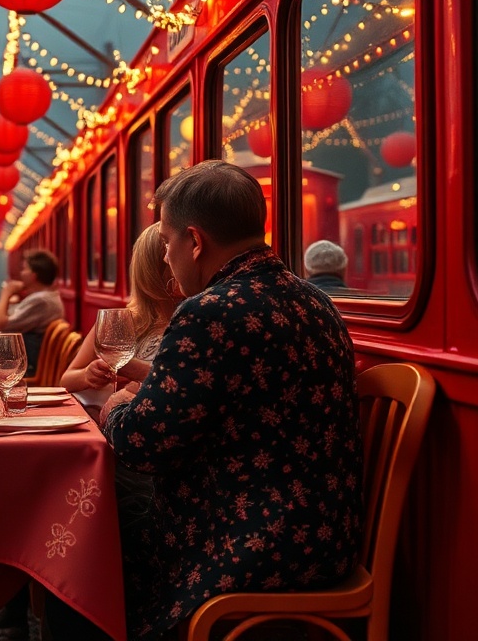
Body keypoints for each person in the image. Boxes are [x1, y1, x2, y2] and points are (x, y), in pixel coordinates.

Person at [85, 161, 364, 640]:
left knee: (83, 527)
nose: (166, 257)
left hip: (249, 544)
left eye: (167, 242)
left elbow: (140, 446)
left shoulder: (209, 312)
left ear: (195, 242)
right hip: (327, 538)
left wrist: (114, 408)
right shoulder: (315, 300)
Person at [59, 223, 179, 423]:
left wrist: (136, 371)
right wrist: (88, 375)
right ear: (154, 270)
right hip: (111, 423)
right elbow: (66, 379)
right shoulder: (122, 321)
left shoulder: (193, 320)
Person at [0, 248, 64, 376]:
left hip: (30, 362)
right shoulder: (47, 296)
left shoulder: (41, 300)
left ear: (33, 275)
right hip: (33, 355)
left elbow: (1, 324)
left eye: (25, 269)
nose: (21, 273)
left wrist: (6, 293)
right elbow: (13, 320)